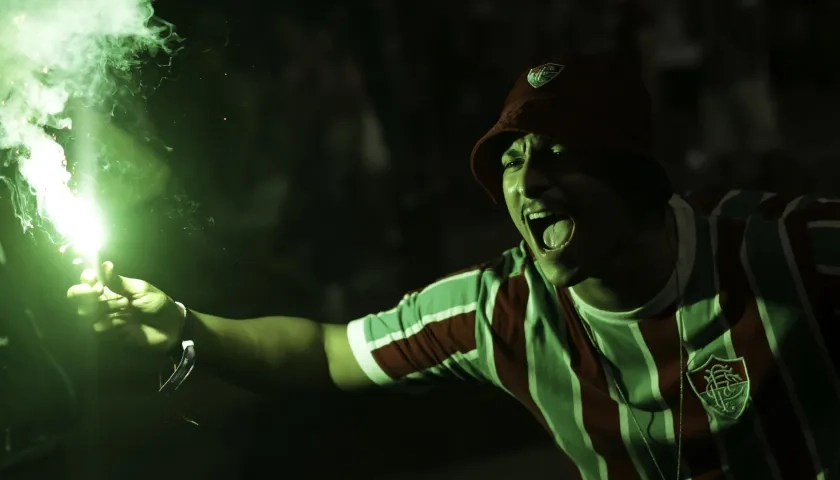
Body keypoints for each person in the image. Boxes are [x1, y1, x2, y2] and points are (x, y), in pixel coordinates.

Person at [67, 53, 840, 479]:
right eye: (510, 159)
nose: (527, 182)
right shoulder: (499, 309)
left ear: (635, 175)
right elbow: (331, 353)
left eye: (558, 155)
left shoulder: (789, 248)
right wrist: (182, 326)